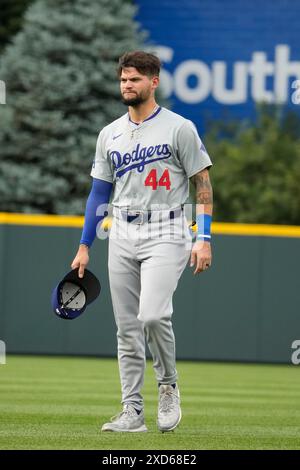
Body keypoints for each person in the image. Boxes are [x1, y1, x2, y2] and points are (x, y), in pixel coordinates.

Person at [71, 50, 213, 433]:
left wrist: (204, 237)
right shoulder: (110, 133)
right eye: (122, 79)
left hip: (168, 228)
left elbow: (203, 184)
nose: (127, 85)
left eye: (134, 79)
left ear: (154, 82)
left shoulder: (179, 128)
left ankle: (168, 385)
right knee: (126, 328)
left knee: (152, 315)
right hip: (122, 231)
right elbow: (99, 194)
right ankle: (131, 411)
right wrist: (86, 244)